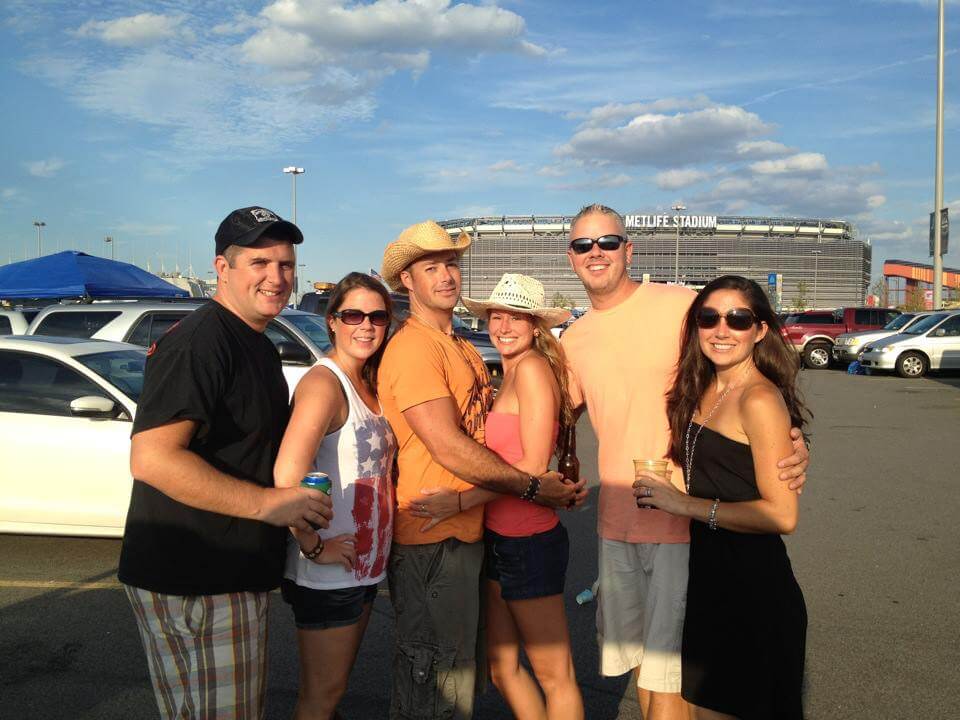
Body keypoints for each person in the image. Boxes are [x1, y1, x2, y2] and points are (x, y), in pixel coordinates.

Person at [558, 204, 809, 720]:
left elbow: (748, 369)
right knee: (642, 670)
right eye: (584, 245)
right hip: (617, 523)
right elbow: (558, 414)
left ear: (629, 249)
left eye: (608, 242)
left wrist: (793, 440)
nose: (596, 253)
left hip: (680, 521)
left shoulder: (684, 307)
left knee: (672, 679)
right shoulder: (575, 339)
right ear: (571, 257)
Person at [118, 206, 333, 720]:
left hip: (224, 572)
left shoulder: (254, 343)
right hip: (198, 577)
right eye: (260, 262)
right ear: (222, 267)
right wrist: (267, 505)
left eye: (286, 265)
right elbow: (152, 459)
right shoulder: (201, 342)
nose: (277, 277)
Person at [377, 221, 585, 720]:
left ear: (536, 324)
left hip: (506, 537)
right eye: (432, 267)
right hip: (450, 534)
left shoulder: (507, 363)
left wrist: (470, 499)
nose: (447, 275)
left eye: (452, 264)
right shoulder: (419, 348)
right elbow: (455, 447)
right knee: (474, 669)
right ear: (407, 280)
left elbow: (528, 458)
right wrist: (535, 486)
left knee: (518, 672)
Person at [633, 275, 808, 719]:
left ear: (760, 329)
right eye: (709, 318)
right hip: (711, 579)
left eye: (738, 319)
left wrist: (683, 503)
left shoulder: (759, 398)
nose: (721, 330)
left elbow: (782, 515)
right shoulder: (706, 387)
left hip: (753, 590)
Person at [274, 272, 397, 720]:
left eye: (378, 316)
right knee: (322, 695)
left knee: (333, 690)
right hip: (330, 572)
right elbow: (288, 475)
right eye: (353, 314)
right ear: (332, 321)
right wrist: (314, 545)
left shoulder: (366, 380)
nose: (366, 325)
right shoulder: (324, 384)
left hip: (361, 567)